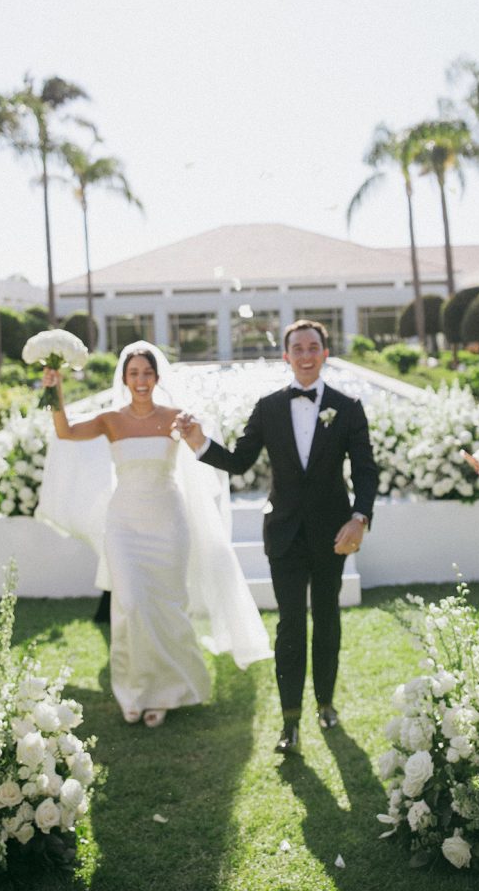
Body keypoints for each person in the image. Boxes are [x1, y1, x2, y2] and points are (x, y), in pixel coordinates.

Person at [40, 342, 271, 729]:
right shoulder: (111, 419)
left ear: (158, 377)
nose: (141, 380)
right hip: (125, 524)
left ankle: (169, 692)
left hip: (168, 521)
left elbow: (205, 450)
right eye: (134, 374)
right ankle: (133, 690)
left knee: (166, 605)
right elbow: (64, 431)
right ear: (125, 378)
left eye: (147, 373)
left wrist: (195, 433)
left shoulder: (175, 416)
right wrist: (54, 389)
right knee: (130, 604)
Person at [177, 319, 378, 755]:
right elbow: (240, 461)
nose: (306, 355)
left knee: (326, 620)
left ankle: (325, 704)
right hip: (284, 534)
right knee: (290, 626)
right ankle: (290, 723)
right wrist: (199, 442)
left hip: (333, 534)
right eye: (297, 349)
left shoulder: (348, 407)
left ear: (325, 353)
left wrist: (359, 518)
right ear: (286, 357)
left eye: (313, 347)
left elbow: (365, 470)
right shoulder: (267, 407)